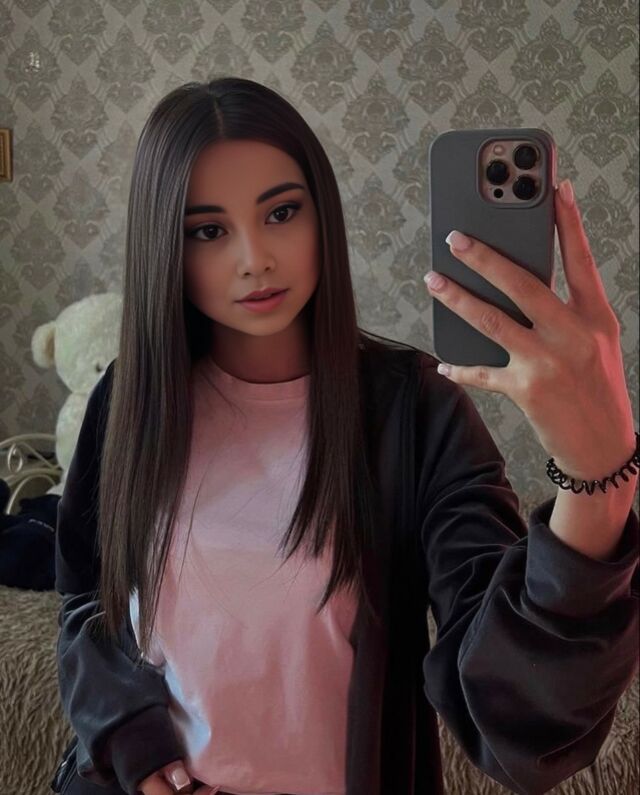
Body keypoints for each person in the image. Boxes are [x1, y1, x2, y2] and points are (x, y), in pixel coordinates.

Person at [53, 77, 639, 795]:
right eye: (208, 230)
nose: (254, 258)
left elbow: (514, 717)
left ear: (321, 213)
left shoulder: (413, 410)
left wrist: (598, 479)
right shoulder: (130, 400)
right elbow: (88, 602)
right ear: (163, 244)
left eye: (282, 212)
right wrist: (136, 748)